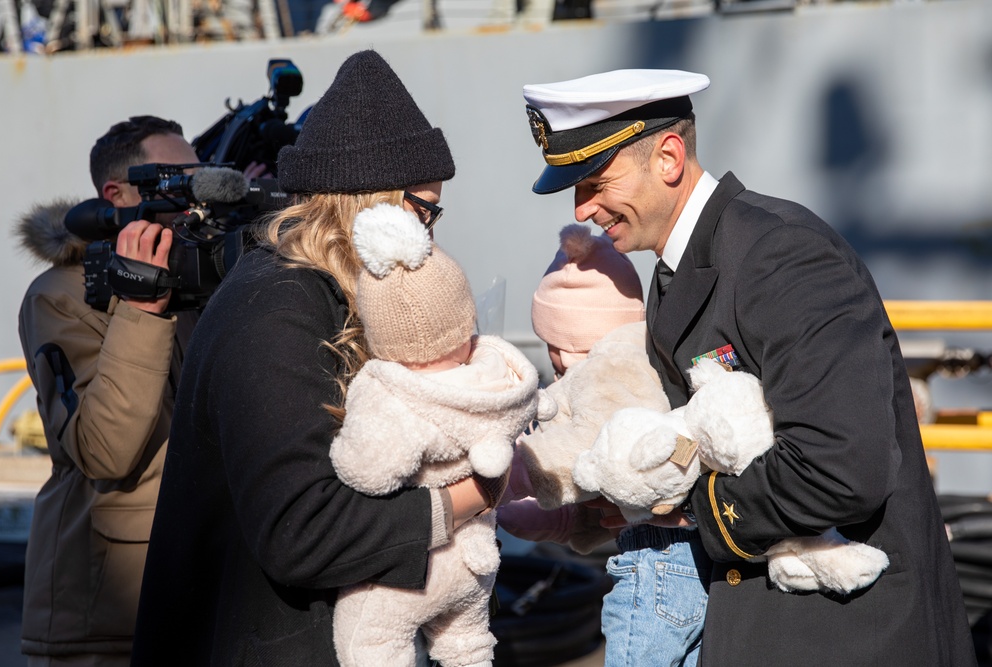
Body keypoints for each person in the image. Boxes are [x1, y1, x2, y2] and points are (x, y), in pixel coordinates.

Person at [519, 68, 977, 664]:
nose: (584, 209)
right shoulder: (679, 275)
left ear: (668, 157)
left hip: (850, 637)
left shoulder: (782, 255)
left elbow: (840, 466)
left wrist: (681, 505)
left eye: (596, 181)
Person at [130, 49, 495, 666]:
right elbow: (300, 530)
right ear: (374, 205)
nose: (432, 234)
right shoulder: (276, 310)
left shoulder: (317, 293)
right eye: (425, 210)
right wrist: (477, 492)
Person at [329, 202, 549, 667]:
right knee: (467, 646)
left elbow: (369, 472)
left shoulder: (393, 394)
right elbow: (534, 404)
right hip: (474, 564)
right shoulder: (495, 368)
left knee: (367, 639)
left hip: (415, 569)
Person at [15, 115, 200, 666]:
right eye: (174, 181)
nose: (192, 198)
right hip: (105, 616)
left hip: (192, 593)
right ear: (116, 195)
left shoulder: (191, 275)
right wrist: (142, 306)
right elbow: (102, 448)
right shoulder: (59, 296)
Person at [498, 223, 711, 667]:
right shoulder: (639, 360)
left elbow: (575, 451)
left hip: (655, 567)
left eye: (553, 345)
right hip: (682, 560)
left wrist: (506, 474)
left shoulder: (609, 368)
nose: (551, 358)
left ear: (572, 343)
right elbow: (603, 482)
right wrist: (559, 522)